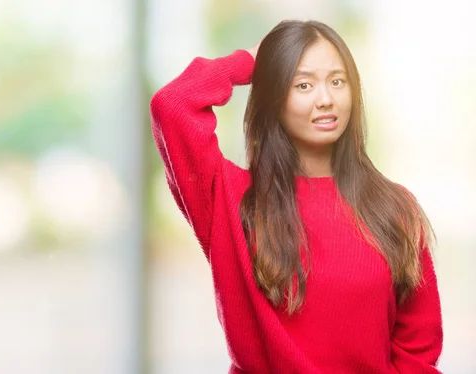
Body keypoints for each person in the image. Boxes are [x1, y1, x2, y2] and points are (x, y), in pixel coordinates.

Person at [149, 20, 443, 374]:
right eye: (303, 84)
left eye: (337, 81)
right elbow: (173, 104)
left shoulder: (395, 208)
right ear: (274, 97)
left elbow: (417, 348)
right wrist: (251, 60)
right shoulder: (232, 199)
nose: (326, 99)